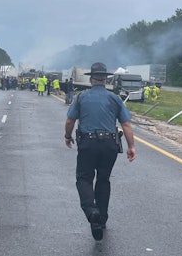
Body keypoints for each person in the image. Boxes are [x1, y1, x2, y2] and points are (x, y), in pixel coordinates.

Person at [64, 62, 136, 241]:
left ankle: (92, 212)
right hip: (109, 144)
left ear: (91, 79)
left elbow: (70, 121)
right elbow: (126, 124)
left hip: (88, 144)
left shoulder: (81, 97)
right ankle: (102, 219)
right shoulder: (115, 98)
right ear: (105, 79)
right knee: (103, 179)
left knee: (84, 178)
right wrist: (131, 147)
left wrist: (67, 136)